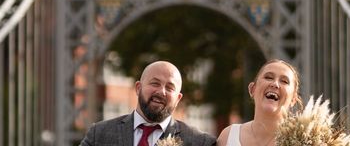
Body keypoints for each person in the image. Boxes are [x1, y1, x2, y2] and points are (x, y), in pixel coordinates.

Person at [79, 60, 216, 146]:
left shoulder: (200, 142)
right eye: (155, 83)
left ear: (178, 98)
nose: (162, 91)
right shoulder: (100, 134)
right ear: (138, 88)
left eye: (170, 87)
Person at [216, 59, 303, 146]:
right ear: (252, 89)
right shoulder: (228, 136)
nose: (275, 84)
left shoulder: (302, 141)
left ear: (293, 99)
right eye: (268, 77)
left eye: (284, 81)